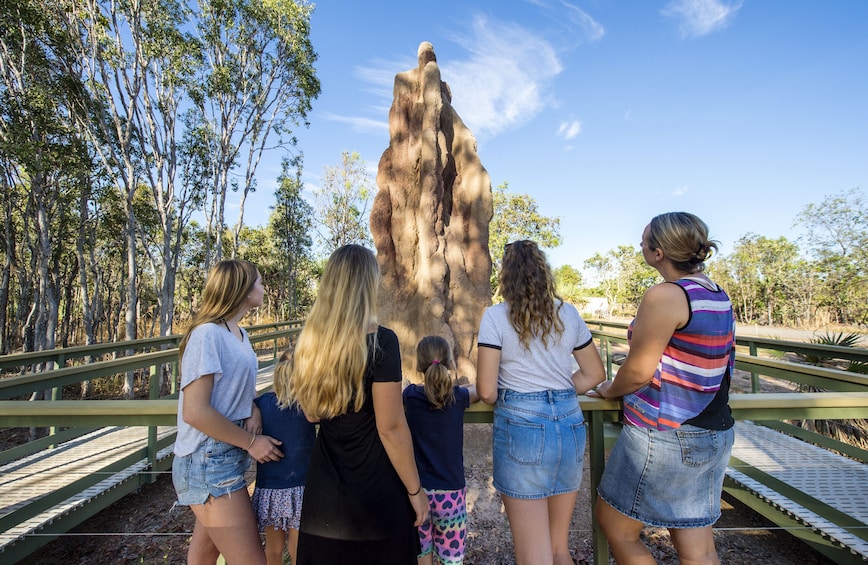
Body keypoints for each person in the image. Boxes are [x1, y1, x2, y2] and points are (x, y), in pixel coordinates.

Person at [587, 212, 736, 565]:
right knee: (697, 546)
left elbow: (638, 371)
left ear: (659, 253)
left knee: (616, 526)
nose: (639, 246)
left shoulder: (666, 295)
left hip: (669, 434)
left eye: (643, 241)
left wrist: (609, 390)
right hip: (713, 429)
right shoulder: (715, 292)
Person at [276, 244, 428, 565]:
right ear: (367, 284)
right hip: (376, 490)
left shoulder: (311, 342)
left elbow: (312, 413)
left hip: (325, 491)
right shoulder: (381, 341)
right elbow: (390, 427)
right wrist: (415, 491)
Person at [476, 240, 606, 565]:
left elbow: (487, 391)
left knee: (534, 553)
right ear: (544, 271)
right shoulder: (568, 313)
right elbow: (594, 373)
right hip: (569, 425)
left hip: (523, 429)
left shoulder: (495, 318)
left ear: (506, 276)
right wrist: (558, 392)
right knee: (558, 548)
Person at [172, 259, 284, 565]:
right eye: (260, 282)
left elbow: (230, 387)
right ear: (244, 289)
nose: (264, 287)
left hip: (225, 458)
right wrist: (251, 443)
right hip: (207, 461)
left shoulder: (239, 334)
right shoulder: (207, 334)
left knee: (204, 558)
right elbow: (195, 411)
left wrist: (252, 405)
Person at [403, 335, 480, 565]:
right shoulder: (459, 397)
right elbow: (482, 389)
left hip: (419, 492)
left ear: (419, 365)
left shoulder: (411, 396)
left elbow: (405, 388)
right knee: (450, 559)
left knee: (421, 552)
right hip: (451, 493)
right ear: (450, 363)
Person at [253, 347, 316, 565]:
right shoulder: (307, 406)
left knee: (273, 549)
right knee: (298, 548)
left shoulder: (262, 404)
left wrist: (253, 409)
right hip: (300, 487)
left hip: (271, 489)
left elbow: (250, 402)